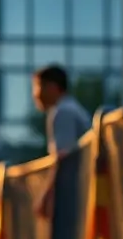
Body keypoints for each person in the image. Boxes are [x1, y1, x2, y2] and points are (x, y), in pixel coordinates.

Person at [32, 64, 92, 218]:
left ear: (52, 87)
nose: (35, 94)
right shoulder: (71, 108)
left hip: (79, 193)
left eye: (37, 86)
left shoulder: (63, 112)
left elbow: (62, 157)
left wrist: (46, 196)